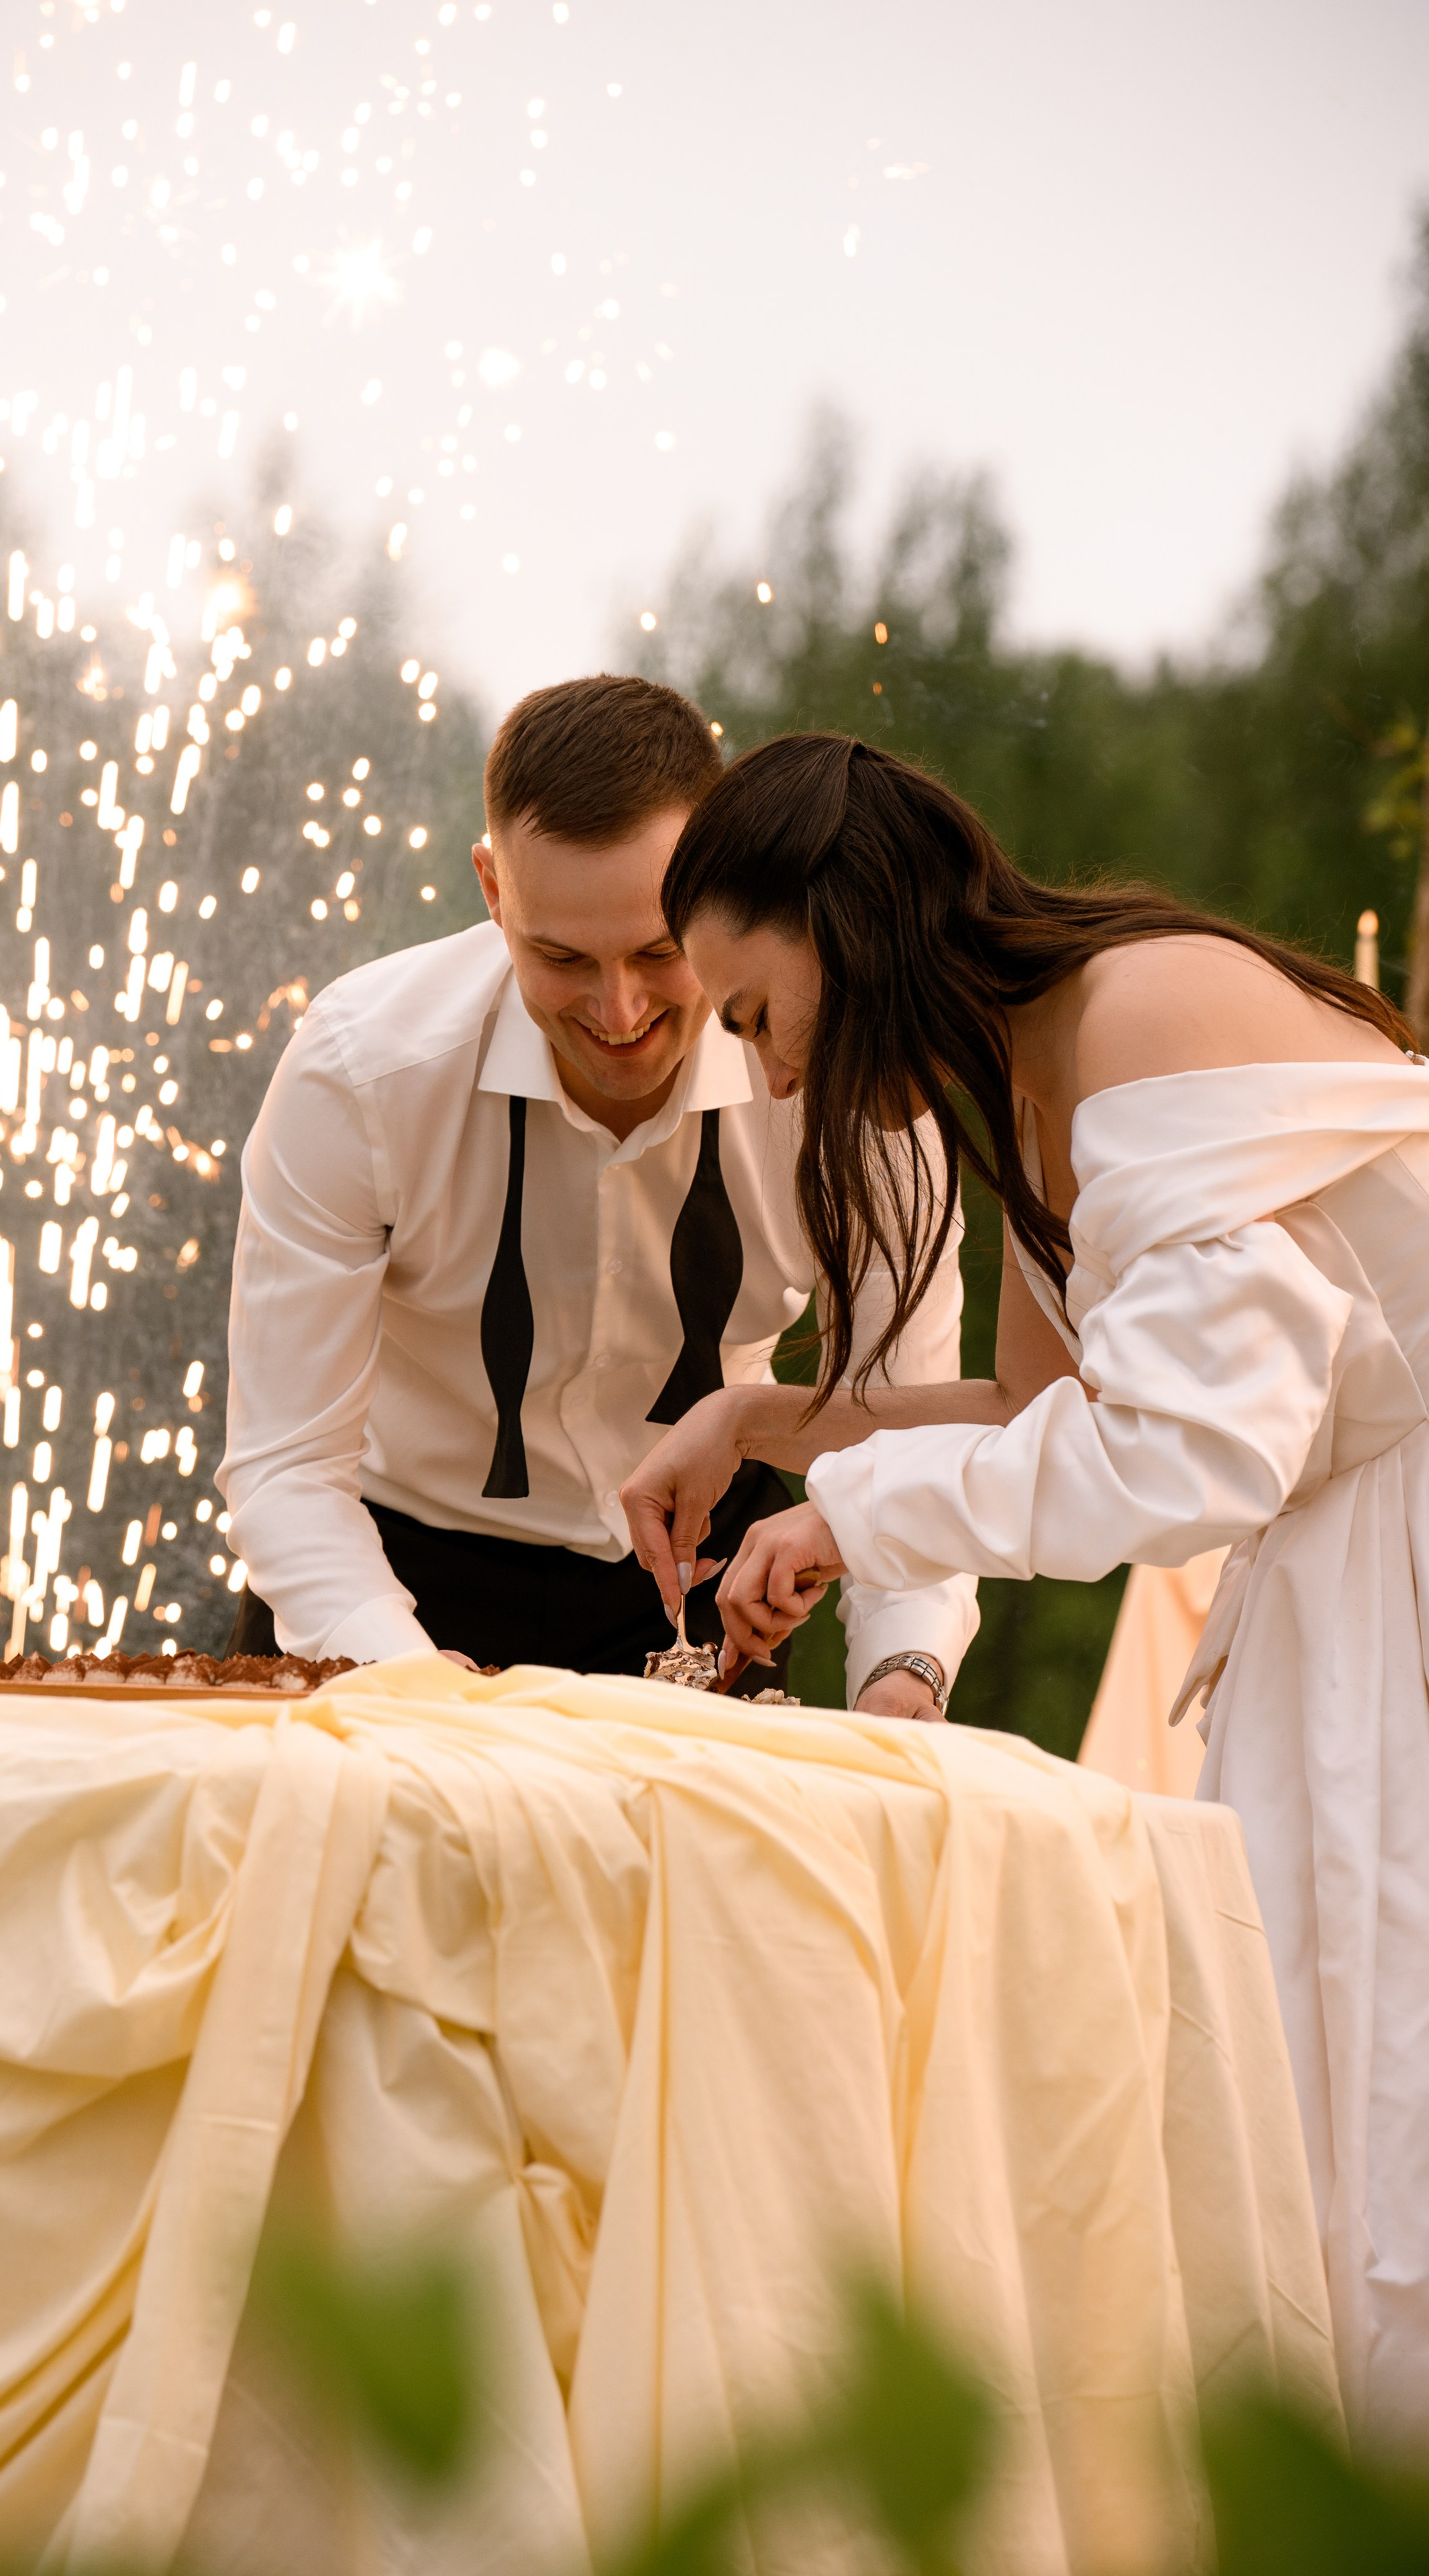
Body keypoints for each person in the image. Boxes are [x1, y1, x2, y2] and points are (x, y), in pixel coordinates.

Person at [621, 727, 1429, 2441]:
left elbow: (1191, 1457)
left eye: (754, 1016)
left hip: (1396, 1573)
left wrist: (844, 1520)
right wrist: (760, 1419)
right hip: (1343, 1576)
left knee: (1368, 2138)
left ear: (840, 925)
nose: (762, 1085)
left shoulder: (1134, 1023)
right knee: (1298, 2121)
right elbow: (1033, 1415)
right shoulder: (1040, 1072)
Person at [216, 677, 975, 1705]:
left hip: (707, 1588)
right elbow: (286, 1467)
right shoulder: (360, 1074)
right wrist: (400, 1681)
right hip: (383, 1584)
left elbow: (913, 1424)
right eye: (561, 956)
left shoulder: (851, 1083)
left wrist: (905, 1665)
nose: (618, 1011)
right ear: (493, 890)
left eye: (660, 953)